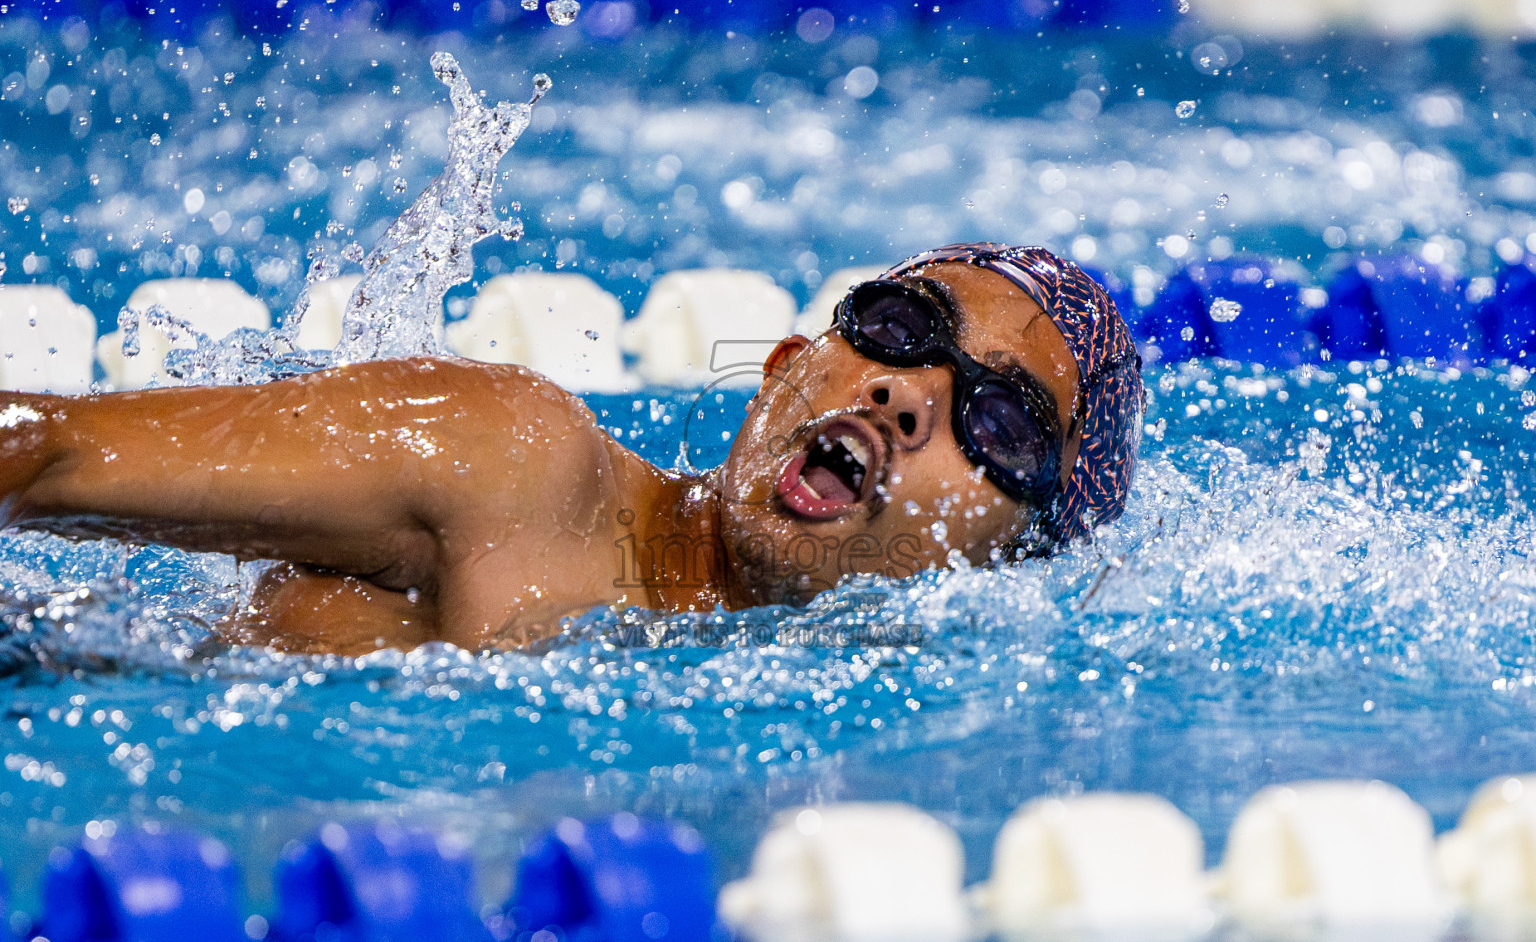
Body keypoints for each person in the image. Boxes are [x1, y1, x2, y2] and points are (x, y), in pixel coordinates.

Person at [0, 243, 1143, 654]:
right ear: (786, 364)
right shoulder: (510, 463)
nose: (911, 396)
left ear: (1009, 559)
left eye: (1000, 425)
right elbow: (36, 451)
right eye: (904, 329)